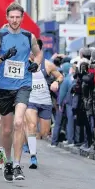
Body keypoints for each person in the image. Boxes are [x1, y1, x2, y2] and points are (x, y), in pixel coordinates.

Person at [0, 3, 43, 181]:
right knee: (7, 128)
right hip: (4, 87)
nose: (15, 20)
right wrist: (4, 57)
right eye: (12, 17)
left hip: (23, 84)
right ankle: (8, 161)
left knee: (19, 122)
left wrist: (36, 64)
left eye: (18, 17)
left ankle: (18, 165)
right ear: (7, 17)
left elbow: (38, 54)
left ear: (22, 18)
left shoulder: (29, 36)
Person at [24, 40, 62, 169]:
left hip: (45, 101)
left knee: (44, 132)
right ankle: (33, 156)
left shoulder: (48, 65)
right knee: (32, 125)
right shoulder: (24, 64)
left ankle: (30, 142)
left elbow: (60, 76)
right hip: (31, 100)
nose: (31, 53)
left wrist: (57, 82)